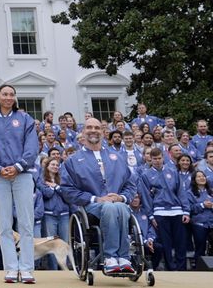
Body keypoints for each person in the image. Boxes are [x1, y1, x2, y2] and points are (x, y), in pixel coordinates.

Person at [59, 118, 138, 275]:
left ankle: (123, 258)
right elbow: (67, 190)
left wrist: (121, 197)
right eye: (89, 127)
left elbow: (130, 184)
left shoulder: (118, 157)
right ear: (83, 132)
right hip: (91, 207)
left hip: (118, 204)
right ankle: (110, 257)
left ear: (102, 132)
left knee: (120, 207)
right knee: (109, 207)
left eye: (97, 127)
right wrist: (96, 199)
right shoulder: (73, 161)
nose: (93, 130)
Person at [0, 84, 38, 283]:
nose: (8, 97)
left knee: (26, 223)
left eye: (12, 94)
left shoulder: (25, 119)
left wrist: (18, 166)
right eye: (4, 94)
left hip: (22, 175)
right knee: (4, 224)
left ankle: (27, 268)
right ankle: (12, 268)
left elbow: (31, 148)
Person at [139, 148, 190, 271]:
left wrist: (186, 211)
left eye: (159, 158)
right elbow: (146, 198)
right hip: (160, 212)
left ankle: (181, 268)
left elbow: (181, 192)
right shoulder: (146, 175)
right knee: (166, 243)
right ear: (150, 159)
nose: (157, 161)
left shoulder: (173, 171)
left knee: (180, 242)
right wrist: (151, 216)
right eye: (154, 159)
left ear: (164, 157)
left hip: (177, 211)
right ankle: (171, 268)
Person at [188, 170, 213, 266]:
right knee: (200, 247)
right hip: (199, 223)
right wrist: (202, 205)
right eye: (198, 176)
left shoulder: (211, 192)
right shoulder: (190, 193)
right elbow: (189, 208)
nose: (202, 178)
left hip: (211, 222)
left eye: (203, 176)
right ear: (194, 179)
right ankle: (198, 267)